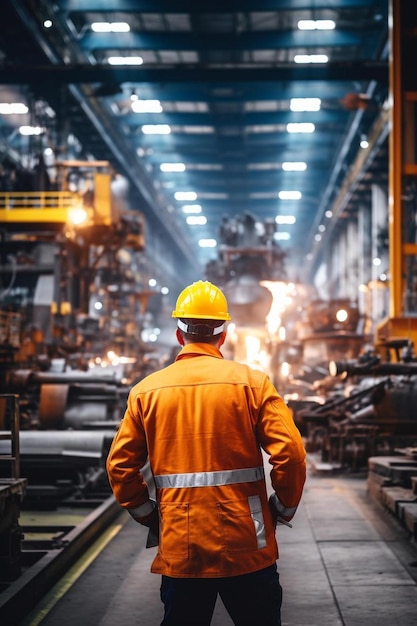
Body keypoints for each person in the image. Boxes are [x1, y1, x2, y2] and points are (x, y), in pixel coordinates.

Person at [106, 280, 306, 626]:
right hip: (248, 541)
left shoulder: (146, 392)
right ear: (223, 335)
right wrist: (281, 508)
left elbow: (120, 468)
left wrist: (149, 516)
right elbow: (290, 453)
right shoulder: (252, 384)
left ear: (179, 335)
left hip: (181, 546)